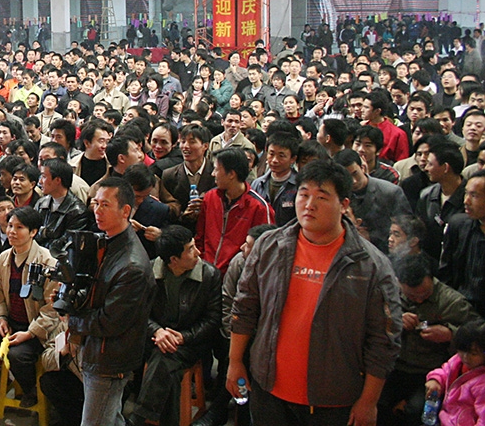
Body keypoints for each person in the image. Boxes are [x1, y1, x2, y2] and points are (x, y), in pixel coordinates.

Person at [227, 158, 402, 426]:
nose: (309, 205)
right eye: (303, 194)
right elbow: (245, 307)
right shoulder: (269, 246)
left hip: (333, 398)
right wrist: (235, 360)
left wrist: (369, 400)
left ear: (344, 204)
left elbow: (383, 340)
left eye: (321, 197)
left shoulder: (371, 266)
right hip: (268, 387)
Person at [66, 176, 155, 426]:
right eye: (96, 203)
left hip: (110, 357)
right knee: (109, 417)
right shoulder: (108, 241)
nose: (97, 210)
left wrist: (72, 318)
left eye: (105, 205)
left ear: (126, 211)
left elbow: (110, 322)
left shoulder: (132, 265)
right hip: (97, 349)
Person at [0, 206, 62, 421]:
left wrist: (30, 333)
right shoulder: (3, 259)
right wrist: (1, 318)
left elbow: (52, 309)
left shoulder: (47, 262)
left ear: (33, 232)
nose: (12, 231)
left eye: (19, 227)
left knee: (18, 356)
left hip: (36, 328)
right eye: (10, 226)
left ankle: (30, 391)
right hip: (10, 324)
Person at [126, 225, 222, 426]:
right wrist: (157, 331)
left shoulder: (209, 275)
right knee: (167, 364)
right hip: (155, 339)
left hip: (191, 342)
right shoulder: (149, 272)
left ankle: (138, 419)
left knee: (165, 358)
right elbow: (139, 313)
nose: (198, 252)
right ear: (173, 260)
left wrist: (184, 336)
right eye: (190, 249)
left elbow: (212, 320)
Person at [378, 254, 478, 426]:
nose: (419, 299)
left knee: (417, 412)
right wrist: (394, 320)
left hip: (430, 371)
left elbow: (477, 336)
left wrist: (450, 334)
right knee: (378, 404)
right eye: (412, 296)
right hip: (395, 366)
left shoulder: (452, 302)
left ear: (432, 279)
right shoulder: (389, 293)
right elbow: (369, 324)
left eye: (424, 294)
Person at [197, 147, 272, 275]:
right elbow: (200, 235)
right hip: (206, 272)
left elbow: (264, 250)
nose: (213, 174)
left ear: (231, 174)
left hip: (237, 275)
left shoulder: (259, 207)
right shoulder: (210, 198)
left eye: (216, 169)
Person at [439, 168, 485, 317]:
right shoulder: (458, 225)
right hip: (461, 308)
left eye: (474, 195)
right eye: (466, 193)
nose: (466, 201)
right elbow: (446, 273)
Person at [424, 319, 485, 426]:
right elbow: (445, 371)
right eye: (462, 350)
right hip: (444, 418)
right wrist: (436, 380)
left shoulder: (482, 384)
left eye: (474, 354)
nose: (465, 357)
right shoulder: (457, 361)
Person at [34, 158, 93, 245]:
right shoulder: (41, 203)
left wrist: (43, 233)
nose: (40, 182)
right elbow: (30, 232)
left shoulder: (77, 211)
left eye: (44, 177)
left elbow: (65, 245)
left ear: (58, 180)